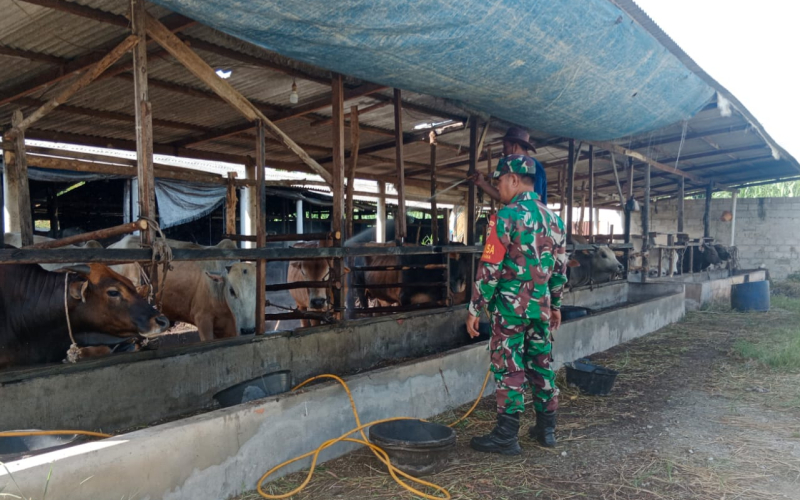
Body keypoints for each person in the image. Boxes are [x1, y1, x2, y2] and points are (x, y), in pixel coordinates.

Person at [465, 154, 568, 455]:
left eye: (499, 181)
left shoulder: (506, 216)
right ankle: (547, 430)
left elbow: (490, 266)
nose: (499, 188)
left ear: (513, 178)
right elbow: (559, 270)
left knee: (509, 368)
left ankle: (506, 437)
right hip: (542, 308)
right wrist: (557, 305)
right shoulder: (555, 221)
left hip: (511, 310)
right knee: (541, 365)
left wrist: (475, 307)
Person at [473, 127, 547, 204]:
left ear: (515, 147)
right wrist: (482, 183)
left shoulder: (534, 167)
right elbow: (503, 197)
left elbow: (535, 202)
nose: (503, 151)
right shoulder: (515, 166)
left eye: (505, 147)